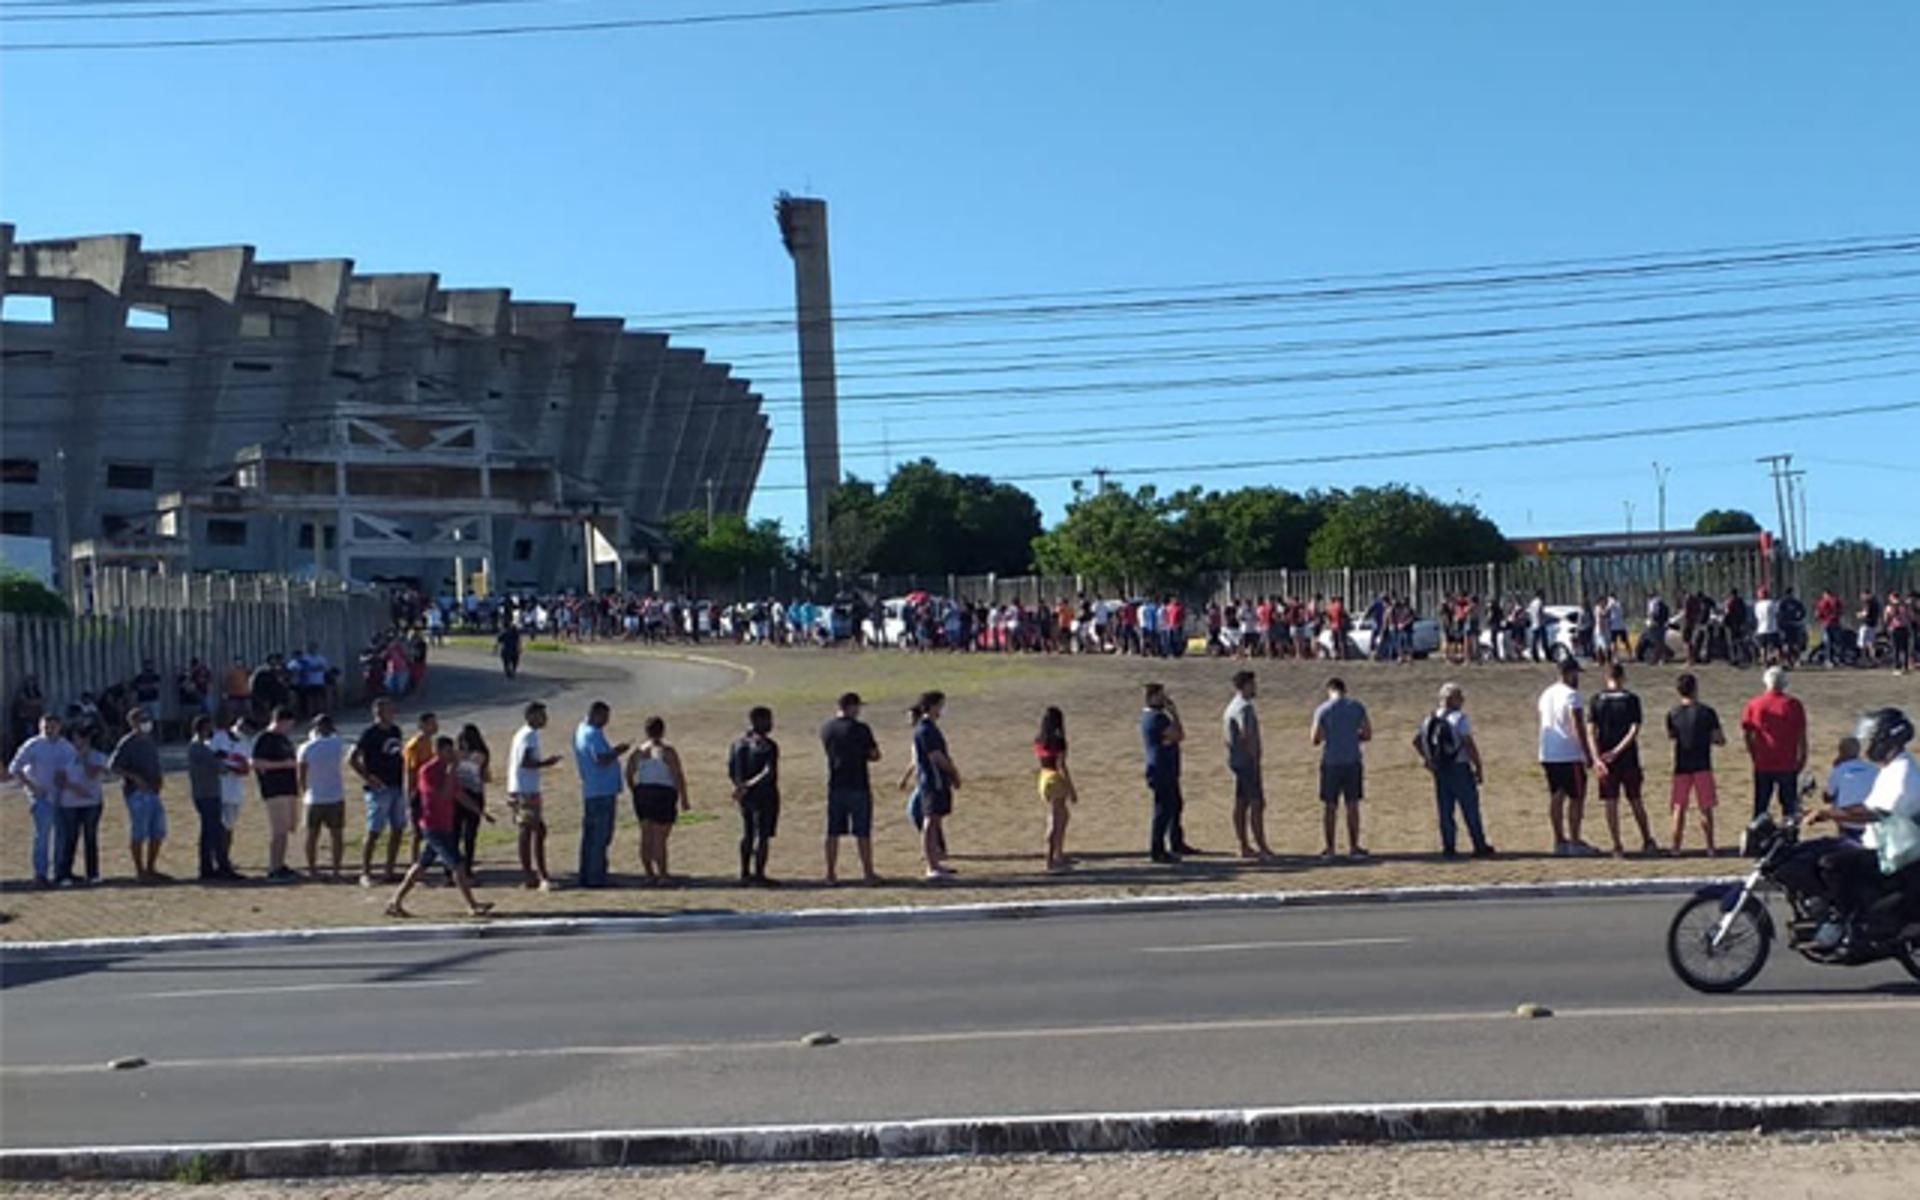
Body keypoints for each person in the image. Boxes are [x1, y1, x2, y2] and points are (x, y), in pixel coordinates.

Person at [1803, 708, 1920, 950]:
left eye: (1872, 738)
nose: (1868, 744)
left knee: (1832, 864)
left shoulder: (1904, 773)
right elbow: (1868, 805)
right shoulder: (1890, 768)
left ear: (1887, 739)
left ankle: (1847, 926)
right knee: (1816, 849)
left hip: (1893, 852)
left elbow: (1876, 813)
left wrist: (1829, 813)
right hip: (1879, 842)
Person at [385, 736, 495, 919]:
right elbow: (442, 794)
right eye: (448, 751)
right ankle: (472, 905)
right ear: (439, 751)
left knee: (420, 866)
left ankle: (394, 902)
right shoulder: (428, 771)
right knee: (458, 865)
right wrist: (451, 771)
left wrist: (480, 812)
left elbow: (457, 794)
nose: (453, 754)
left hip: (445, 824)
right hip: (433, 826)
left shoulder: (447, 770)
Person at [1414, 683, 1493, 859]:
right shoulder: (1459, 718)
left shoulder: (1430, 718)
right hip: (1459, 766)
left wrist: (1427, 759)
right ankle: (1479, 845)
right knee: (1470, 808)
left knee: (1445, 809)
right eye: (1460, 697)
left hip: (1440, 768)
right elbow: (1468, 744)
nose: (1463, 700)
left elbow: (1417, 740)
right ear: (1453, 699)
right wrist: (1478, 766)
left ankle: (1449, 846)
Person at [1588, 663, 1660, 858]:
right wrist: (1618, 751)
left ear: (1606, 677)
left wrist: (1596, 758)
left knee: (1611, 802)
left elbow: (1591, 731)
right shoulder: (1631, 700)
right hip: (1628, 757)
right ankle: (1647, 839)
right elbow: (1633, 730)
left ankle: (1617, 844)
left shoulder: (1597, 700)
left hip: (1604, 757)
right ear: (1623, 677)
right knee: (1635, 799)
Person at [1537, 657, 1597, 857]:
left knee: (1557, 795)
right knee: (1576, 797)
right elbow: (1576, 724)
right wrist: (1587, 752)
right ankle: (1574, 839)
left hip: (1549, 752)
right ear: (1569, 673)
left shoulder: (1546, 694)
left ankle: (1559, 839)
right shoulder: (1572, 696)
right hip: (1568, 752)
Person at [820, 693, 882, 885]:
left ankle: (830, 873)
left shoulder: (827, 728)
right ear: (851, 706)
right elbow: (874, 754)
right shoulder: (860, 729)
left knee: (833, 831)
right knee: (862, 831)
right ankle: (868, 872)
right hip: (858, 783)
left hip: (836, 783)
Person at [8, 714, 75, 888]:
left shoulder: (66, 747)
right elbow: (15, 768)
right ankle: (40, 874)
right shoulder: (33, 745)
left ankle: (59, 872)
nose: (49, 729)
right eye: (45, 726)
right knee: (42, 836)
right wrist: (32, 787)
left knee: (62, 836)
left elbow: (73, 769)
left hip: (62, 798)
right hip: (41, 797)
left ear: (59, 727)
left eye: (52, 726)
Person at [1310, 677, 1371, 860]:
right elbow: (1367, 733)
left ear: (1330, 690)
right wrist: (1353, 737)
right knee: (1352, 805)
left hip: (1331, 762)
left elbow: (1315, 738)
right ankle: (1353, 847)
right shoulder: (1357, 707)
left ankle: (1330, 848)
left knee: (1330, 806)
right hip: (1352, 760)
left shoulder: (1323, 710)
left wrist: (1332, 736)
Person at [350, 697, 408, 887]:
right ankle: (365, 871)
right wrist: (368, 777)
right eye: (389, 710)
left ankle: (389, 869)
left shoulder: (395, 731)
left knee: (398, 828)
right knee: (374, 830)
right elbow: (352, 758)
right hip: (379, 788)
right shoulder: (369, 734)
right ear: (378, 713)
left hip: (397, 785)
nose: (393, 713)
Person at [107, 709, 169, 883]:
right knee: (139, 831)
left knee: (158, 830)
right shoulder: (128, 742)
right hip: (136, 792)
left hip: (153, 791)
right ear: (132, 723)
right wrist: (135, 778)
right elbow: (114, 767)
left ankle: (151, 867)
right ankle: (140, 870)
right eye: (141, 720)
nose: (146, 722)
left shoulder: (150, 741)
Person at [1666, 673, 1724, 855]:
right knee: (1705, 807)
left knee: (1679, 807)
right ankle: (1710, 846)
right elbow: (1718, 738)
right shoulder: (1707, 712)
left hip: (1682, 764)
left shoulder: (1673, 713)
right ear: (1695, 688)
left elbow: (1671, 735)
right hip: (1702, 763)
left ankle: (1676, 846)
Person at [627, 716, 690, 885]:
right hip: (662, 793)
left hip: (643, 792)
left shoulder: (639, 751)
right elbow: (677, 775)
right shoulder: (667, 751)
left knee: (646, 834)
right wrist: (683, 797)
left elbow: (629, 773)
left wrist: (635, 790)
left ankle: (649, 873)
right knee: (660, 837)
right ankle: (662, 874)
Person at [572, 701, 628, 888]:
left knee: (591, 836)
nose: (606, 721)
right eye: (604, 717)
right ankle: (596, 877)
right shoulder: (592, 734)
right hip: (601, 791)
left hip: (593, 790)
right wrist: (617, 751)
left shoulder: (581, 730)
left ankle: (587, 874)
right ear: (596, 715)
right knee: (600, 836)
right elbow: (600, 759)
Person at [1741, 667, 1808, 821]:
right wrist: (1802, 756)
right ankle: (1790, 839)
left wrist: (1753, 753)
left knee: (1761, 805)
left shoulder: (1754, 704)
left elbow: (1747, 733)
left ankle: (1758, 836)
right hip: (1787, 762)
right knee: (1789, 807)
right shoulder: (1793, 704)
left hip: (1764, 761)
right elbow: (1801, 734)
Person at [507, 702, 560, 890]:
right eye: (541, 715)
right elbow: (526, 762)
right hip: (526, 789)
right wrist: (546, 763)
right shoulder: (528, 735)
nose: (545, 719)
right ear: (531, 716)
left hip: (523, 787)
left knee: (530, 830)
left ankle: (531, 874)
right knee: (534, 830)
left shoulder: (526, 734)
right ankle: (537, 875)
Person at [729, 706, 781, 885]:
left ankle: (744, 872)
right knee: (762, 835)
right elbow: (769, 772)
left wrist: (739, 786)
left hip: (745, 796)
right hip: (764, 794)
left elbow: (732, 769)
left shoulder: (737, 744)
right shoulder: (768, 745)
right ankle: (759, 874)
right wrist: (750, 784)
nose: (771, 724)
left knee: (748, 832)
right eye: (768, 720)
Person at [1223, 670, 1272, 860]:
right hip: (1246, 762)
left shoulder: (1232, 706)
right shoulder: (1244, 708)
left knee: (1241, 803)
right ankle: (1261, 846)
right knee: (1256, 803)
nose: (1255, 688)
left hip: (1236, 760)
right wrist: (1255, 757)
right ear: (1245, 686)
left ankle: (1243, 845)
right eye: (1252, 684)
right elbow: (1247, 734)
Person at [250, 707, 302, 882]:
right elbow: (256, 763)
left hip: (288, 788)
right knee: (278, 830)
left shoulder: (284, 739)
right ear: (280, 721)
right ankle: (273, 868)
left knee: (286, 830)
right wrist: (283, 765)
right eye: (289, 724)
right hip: (274, 789)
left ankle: (281, 863)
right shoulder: (265, 739)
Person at [913, 691, 961, 878]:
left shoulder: (929, 728)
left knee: (936, 820)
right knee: (931, 821)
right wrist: (953, 772)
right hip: (934, 781)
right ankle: (932, 865)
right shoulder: (926, 730)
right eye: (940, 705)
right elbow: (936, 756)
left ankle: (936, 862)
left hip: (936, 780)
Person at [1141, 683, 1190, 864]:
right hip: (1161, 769)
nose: (1164, 699)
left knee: (1175, 805)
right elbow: (1179, 734)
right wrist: (1175, 714)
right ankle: (1158, 850)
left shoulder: (1154, 716)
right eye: (1161, 696)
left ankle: (1176, 842)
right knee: (1163, 810)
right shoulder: (1156, 718)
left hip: (1167, 767)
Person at [56, 723, 109, 886]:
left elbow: (94, 774)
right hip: (69, 803)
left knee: (90, 837)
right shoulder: (64, 756)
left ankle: (92, 873)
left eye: (83, 739)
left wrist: (84, 758)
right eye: (77, 739)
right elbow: (59, 779)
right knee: (69, 838)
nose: (80, 742)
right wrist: (75, 789)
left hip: (92, 802)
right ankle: (64, 874)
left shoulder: (98, 756)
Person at [298, 714, 347, 881]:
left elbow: (301, 775)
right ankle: (336, 870)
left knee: (312, 835)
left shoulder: (306, 748)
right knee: (336, 835)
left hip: (314, 797)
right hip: (335, 795)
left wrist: (305, 791)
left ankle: (312, 869)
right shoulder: (337, 744)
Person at [1035, 706, 1078, 872]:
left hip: (1044, 776)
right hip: (1055, 778)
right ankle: (1052, 858)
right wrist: (1071, 788)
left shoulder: (1039, 740)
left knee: (1061, 816)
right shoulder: (1059, 742)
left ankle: (1057, 854)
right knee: (1056, 820)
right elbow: (1061, 766)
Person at [210, 715, 255, 866]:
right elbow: (212, 758)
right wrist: (228, 767)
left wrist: (235, 768)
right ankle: (215, 858)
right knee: (217, 826)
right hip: (216, 789)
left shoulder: (246, 743)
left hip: (234, 790)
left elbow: (246, 769)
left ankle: (224, 858)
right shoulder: (219, 737)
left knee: (229, 826)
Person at [1822, 736, 1878, 843]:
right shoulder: (1873, 769)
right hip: (1870, 820)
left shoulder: (1839, 770)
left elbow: (1828, 796)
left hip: (1848, 821)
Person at [452, 724, 491, 874]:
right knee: (469, 835)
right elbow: (485, 777)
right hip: (474, 794)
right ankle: (466, 867)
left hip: (457, 794)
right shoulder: (481, 755)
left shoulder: (456, 755)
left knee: (455, 833)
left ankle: (452, 867)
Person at [401, 712, 440, 862]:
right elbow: (409, 771)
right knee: (417, 832)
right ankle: (414, 862)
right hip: (417, 792)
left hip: (427, 791)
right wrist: (409, 795)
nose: (435, 726)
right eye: (431, 723)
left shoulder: (430, 743)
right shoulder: (414, 745)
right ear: (422, 725)